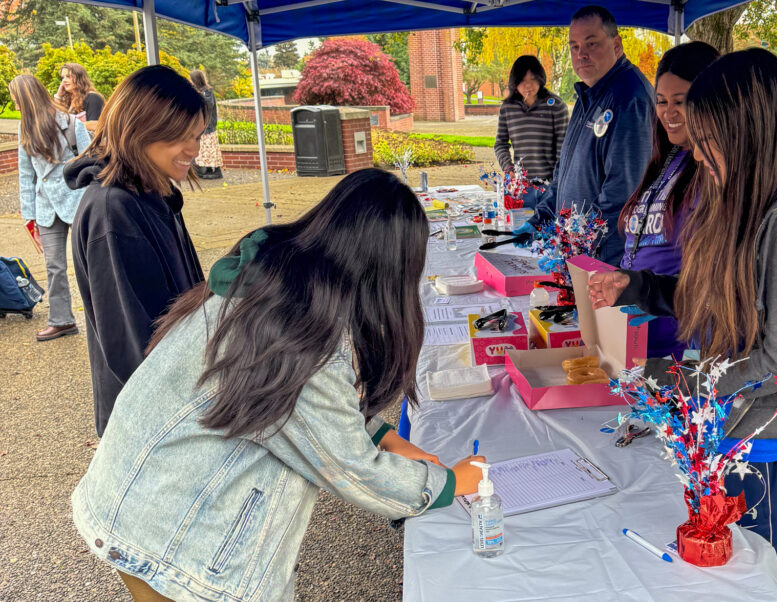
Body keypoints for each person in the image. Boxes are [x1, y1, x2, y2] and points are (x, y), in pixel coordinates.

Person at [71, 169, 484, 602]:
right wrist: (453, 482)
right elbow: (354, 471)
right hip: (175, 536)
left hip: (144, 500)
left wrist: (383, 435)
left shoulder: (275, 277)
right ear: (387, 271)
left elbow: (301, 410)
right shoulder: (300, 333)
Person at [588, 48, 777, 602]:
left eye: (709, 141)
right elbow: (709, 300)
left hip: (767, 442)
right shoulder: (740, 198)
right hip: (724, 427)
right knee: (716, 577)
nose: (699, 155)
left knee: (766, 580)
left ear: (747, 133)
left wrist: (685, 392)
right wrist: (636, 288)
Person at [65, 65, 206, 437]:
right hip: (151, 425)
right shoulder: (113, 210)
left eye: (197, 135)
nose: (193, 149)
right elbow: (132, 343)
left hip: (174, 409)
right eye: (181, 136)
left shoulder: (154, 193)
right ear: (141, 128)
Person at [514, 5, 654, 263]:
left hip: (606, 261)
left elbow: (622, 195)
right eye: (574, 47)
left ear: (616, 44)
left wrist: (574, 243)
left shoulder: (629, 98)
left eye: (591, 44)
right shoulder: (588, 95)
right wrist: (539, 220)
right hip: (578, 253)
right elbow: (564, 176)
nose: (581, 55)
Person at [617, 41, 719, 359]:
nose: (668, 112)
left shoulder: (716, 173)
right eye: (661, 101)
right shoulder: (668, 157)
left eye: (680, 101)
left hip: (676, 346)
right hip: (631, 337)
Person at [11, 74, 91, 341]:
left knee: (90, 262)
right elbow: (26, 176)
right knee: (54, 266)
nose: (14, 103)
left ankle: (101, 317)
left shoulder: (69, 122)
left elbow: (91, 158)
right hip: (46, 208)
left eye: (16, 98)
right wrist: (28, 218)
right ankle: (62, 320)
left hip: (77, 200)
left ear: (26, 97)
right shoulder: (24, 128)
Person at [493, 55, 569, 208]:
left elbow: (564, 149)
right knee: (518, 230)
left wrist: (557, 184)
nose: (528, 86)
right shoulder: (508, 108)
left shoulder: (556, 106)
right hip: (521, 189)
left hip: (549, 188)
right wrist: (509, 169)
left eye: (533, 79)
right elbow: (500, 144)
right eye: (522, 80)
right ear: (514, 83)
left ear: (541, 78)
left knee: (547, 230)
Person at [189, 69, 223, 179]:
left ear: (196, 80)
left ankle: (217, 171)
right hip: (204, 126)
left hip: (207, 126)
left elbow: (206, 105)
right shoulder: (202, 91)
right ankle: (207, 170)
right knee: (205, 149)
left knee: (210, 148)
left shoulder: (207, 92)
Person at [56, 62, 104, 132]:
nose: (64, 81)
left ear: (79, 78)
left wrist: (68, 126)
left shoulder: (93, 98)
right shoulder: (68, 100)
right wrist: (58, 96)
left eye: (68, 76)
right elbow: (56, 120)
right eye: (62, 78)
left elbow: (95, 125)